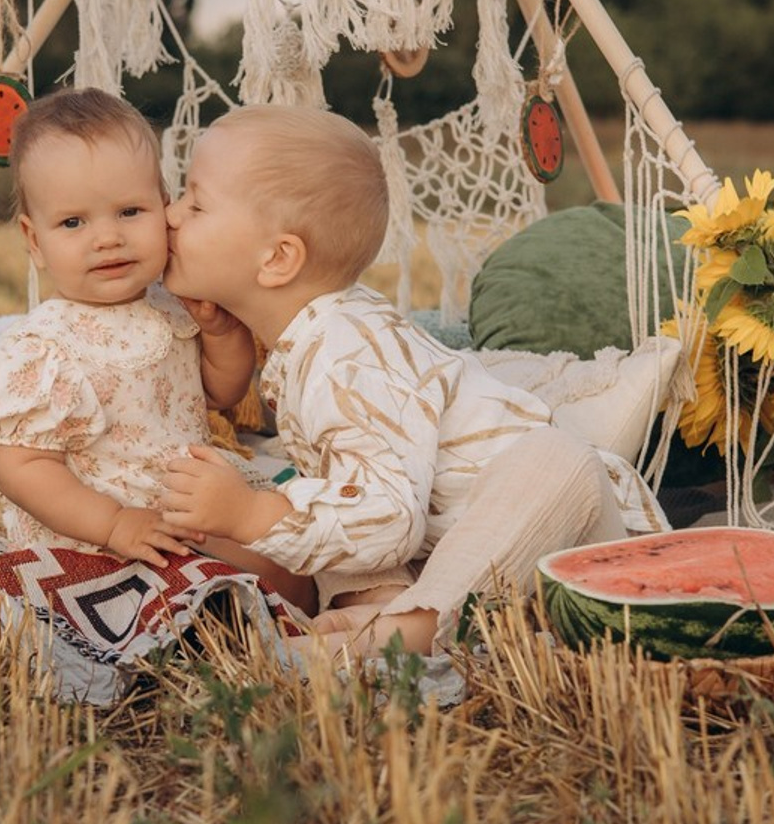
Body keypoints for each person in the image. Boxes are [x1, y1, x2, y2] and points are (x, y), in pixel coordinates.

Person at [159, 103, 663, 656]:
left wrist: (252, 515)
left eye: (195, 203)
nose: (171, 215)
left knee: (556, 457)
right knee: (331, 489)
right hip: (471, 564)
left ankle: (411, 631)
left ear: (278, 259)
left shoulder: (348, 354)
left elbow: (390, 521)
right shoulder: (310, 341)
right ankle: (380, 610)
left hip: (585, 545)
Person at [0, 87, 313, 610]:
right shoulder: (47, 347)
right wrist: (113, 523)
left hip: (186, 510)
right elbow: (20, 467)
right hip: (92, 535)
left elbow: (221, 393)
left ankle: (317, 627)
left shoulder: (173, 306)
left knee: (291, 572)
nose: (107, 238)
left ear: (165, 209)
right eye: (73, 222)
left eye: (129, 211)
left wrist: (221, 335)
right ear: (35, 241)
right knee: (201, 596)